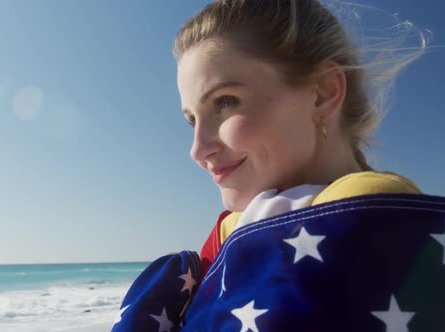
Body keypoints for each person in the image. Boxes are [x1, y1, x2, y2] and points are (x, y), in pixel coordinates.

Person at [112, 1, 444, 331]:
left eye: (225, 102)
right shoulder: (227, 243)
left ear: (324, 93)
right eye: (191, 121)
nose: (198, 150)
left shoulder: (376, 218)